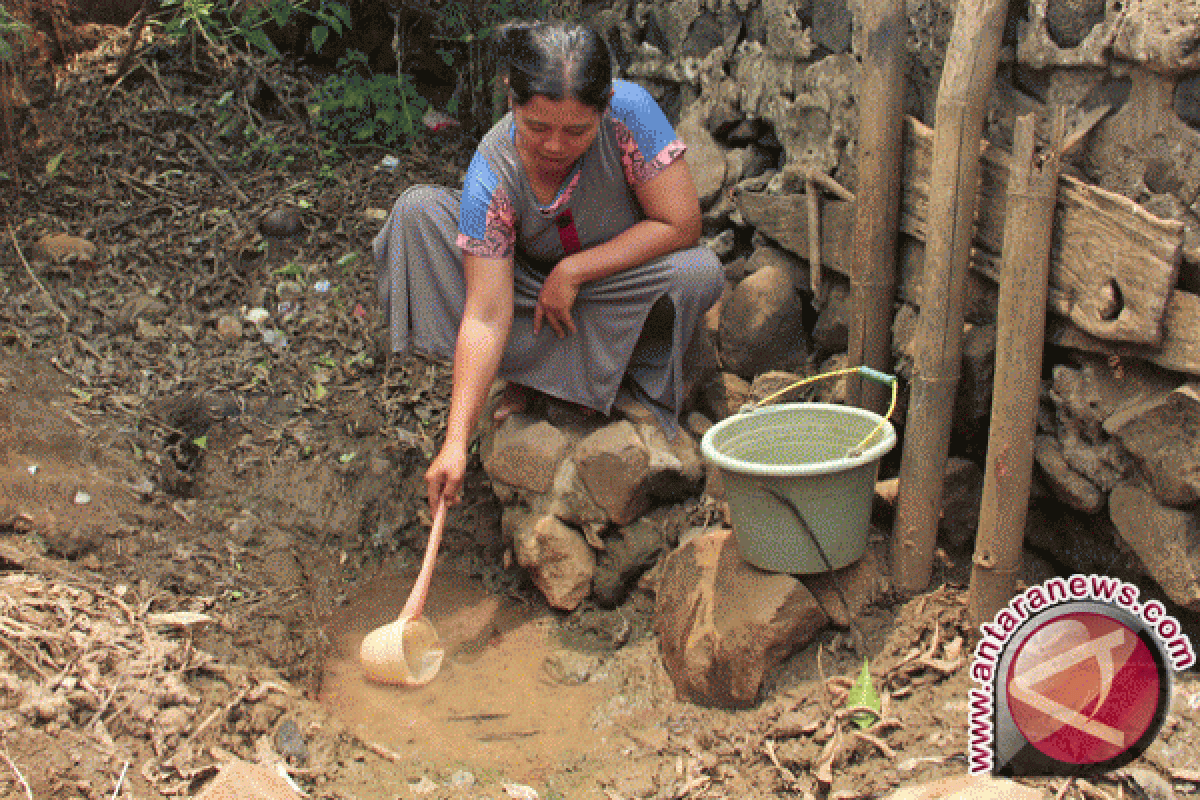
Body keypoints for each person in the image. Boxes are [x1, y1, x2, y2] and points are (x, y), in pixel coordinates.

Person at [372, 20, 724, 513]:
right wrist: (455, 442)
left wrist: (575, 270)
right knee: (417, 214)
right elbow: (486, 314)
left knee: (698, 272)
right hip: (527, 296)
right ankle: (536, 379)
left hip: (608, 288)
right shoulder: (490, 172)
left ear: (604, 108)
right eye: (537, 127)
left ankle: (597, 379)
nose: (555, 145)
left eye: (577, 130)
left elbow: (682, 223)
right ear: (511, 100)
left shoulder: (632, 113)